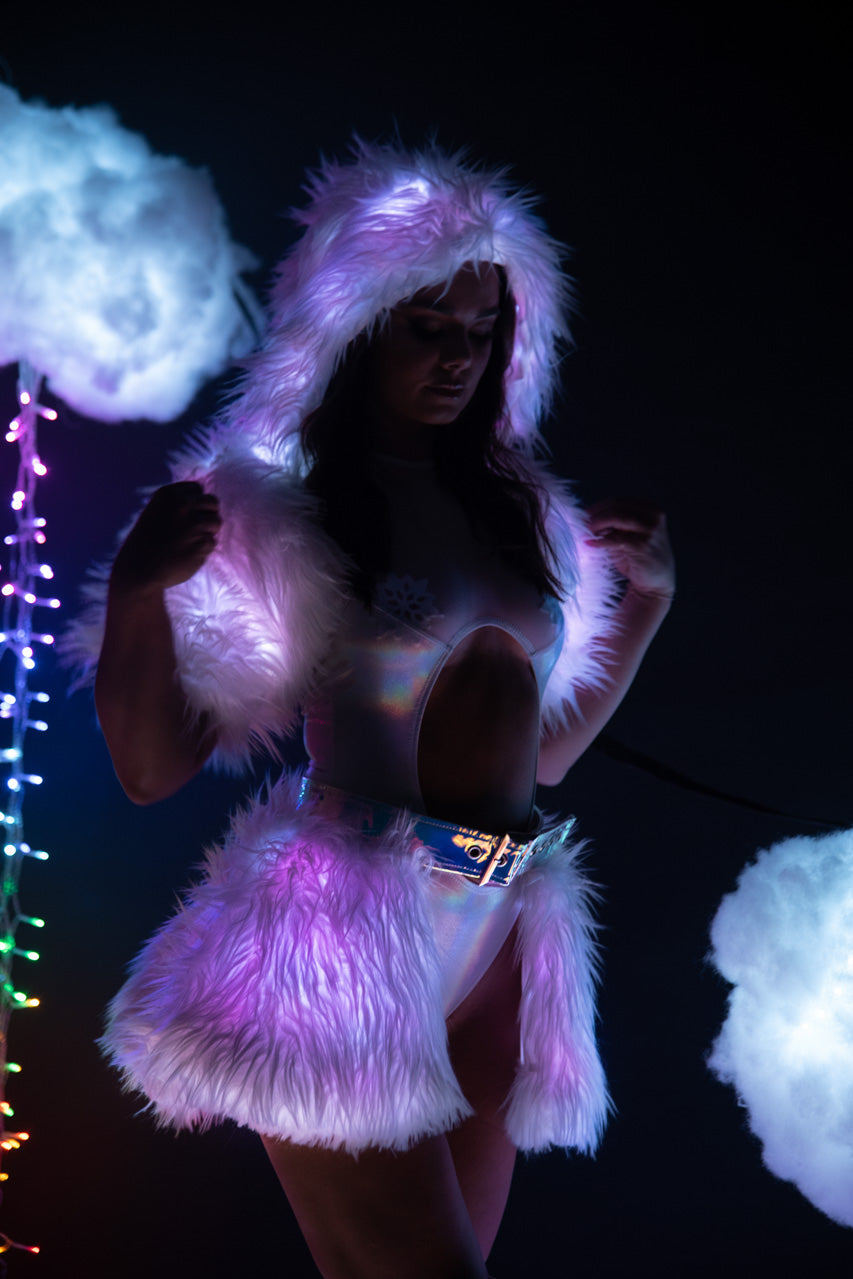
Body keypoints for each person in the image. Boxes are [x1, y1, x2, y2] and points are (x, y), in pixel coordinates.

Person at [79, 141, 674, 1279]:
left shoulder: (520, 508)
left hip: (495, 932)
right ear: (354, 325)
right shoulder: (274, 504)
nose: (458, 357)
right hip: (339, 942)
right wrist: (138, 592)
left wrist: (644, 607)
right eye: (426, 327)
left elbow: (543, 758)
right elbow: (151, 768)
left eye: (481, 331)